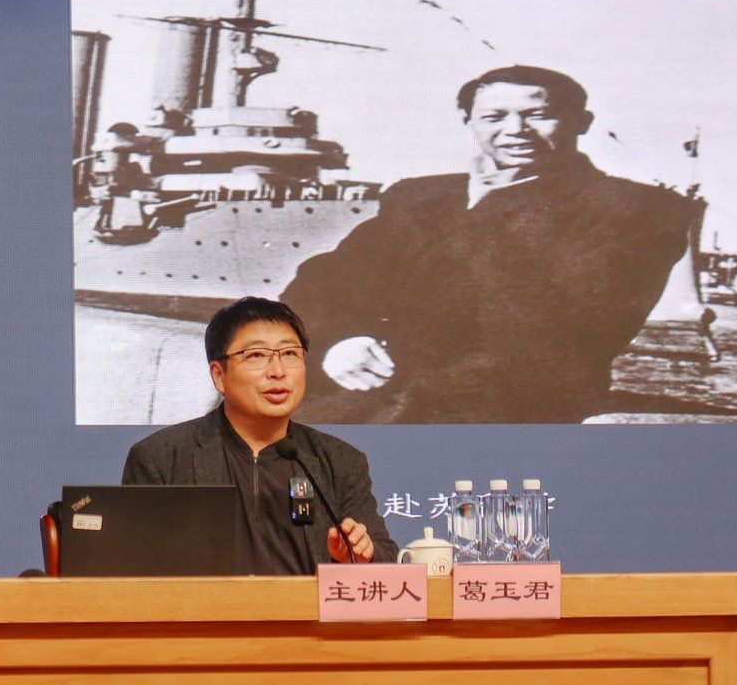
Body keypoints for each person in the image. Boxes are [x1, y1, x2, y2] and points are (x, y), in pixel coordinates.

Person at [283, 65, 697, 423]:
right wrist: (336, 341)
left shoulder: (637, 209)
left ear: (581, 122)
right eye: (494, 117)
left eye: (539, 116)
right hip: (366, 387)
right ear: (469, 121)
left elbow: (564, 328)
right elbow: (324, 284)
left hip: (503, 408)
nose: (515, 131)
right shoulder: (420, 197)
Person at [122, 297, 397, 572]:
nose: (278, 371)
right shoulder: (162, 458)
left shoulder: (339, 461)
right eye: (256, 356)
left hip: (305, 602)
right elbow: (133, 570)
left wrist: (361, 556)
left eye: (289, 354)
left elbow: (384, 559)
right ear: (219, 375)